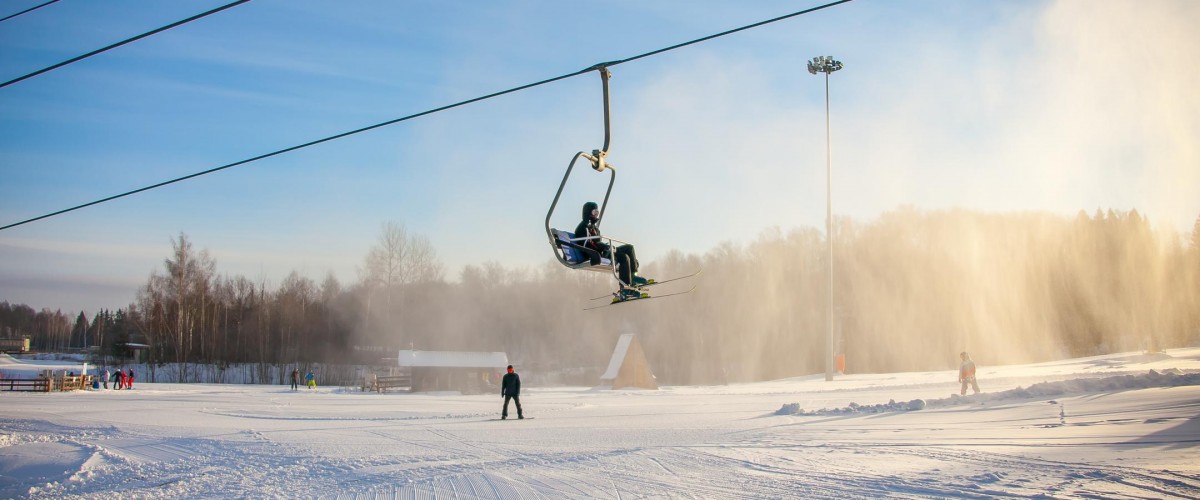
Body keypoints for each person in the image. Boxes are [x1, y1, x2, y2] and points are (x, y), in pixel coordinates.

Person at [574, 201, 651, 298]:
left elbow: (597, 241)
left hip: (602, 251)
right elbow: (586, 245)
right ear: (587, 213)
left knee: (629, 248)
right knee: (624, 257)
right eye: (594, 212)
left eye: (597, 212)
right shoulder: (582, 227)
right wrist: (602, 248)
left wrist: (606, 247)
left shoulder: (594, 228)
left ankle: (633, 276)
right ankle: (625, 289)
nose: (596, 215)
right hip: (594, 254)